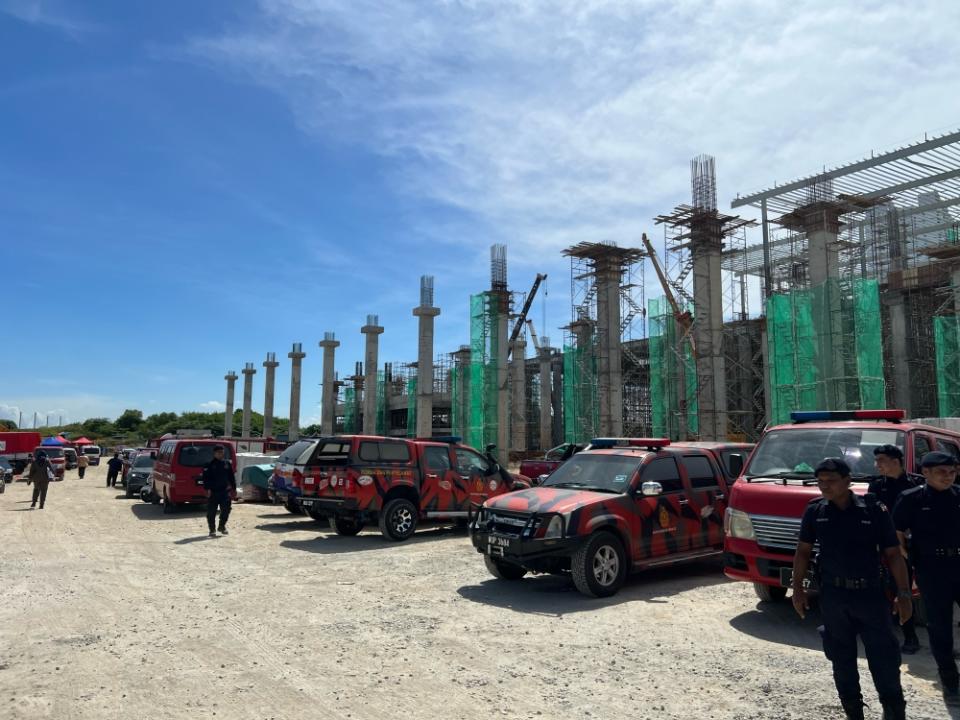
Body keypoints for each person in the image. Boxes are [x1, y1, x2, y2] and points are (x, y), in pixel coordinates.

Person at [792, 458, 911, 720]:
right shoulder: (815, 511)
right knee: (841, 660)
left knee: (884, 660)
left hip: (870, 595)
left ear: (847, 482)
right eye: (820, 481)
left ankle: (893, 711)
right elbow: (803, 552)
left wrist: (904, 595)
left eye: (831, 481)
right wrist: (798, 590)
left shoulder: (873, 510)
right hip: (834, 597)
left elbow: (893, 554)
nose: (824, 486)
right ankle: (853, 711)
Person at [892, 451, 960, 707]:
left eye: (952, 471)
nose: (948, 476)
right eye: (941, 471)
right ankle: (951, 682)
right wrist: (905, 555)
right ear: (926, 472)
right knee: (940, 627)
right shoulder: (912, 499)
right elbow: (896, 530)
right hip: (932, 569)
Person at [869, 444, 922, 654]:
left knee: (909, 590)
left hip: (912, 546)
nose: (877, 465)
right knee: (893, 589)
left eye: (881, 460)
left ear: (895, 461)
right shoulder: (876, 487)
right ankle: (908, 637)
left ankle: (912, 635)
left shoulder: (917, 483)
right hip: (887, 548)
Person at [201, 445, 236, 537]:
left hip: (224, 491)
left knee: (226, 510)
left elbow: (231, 477)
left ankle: (222, 526)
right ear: (214, 453)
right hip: (213, 492)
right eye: (219, 452)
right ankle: (212, 529)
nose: (221, 454)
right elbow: (205, 479)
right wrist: (207, 489)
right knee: (211, 512)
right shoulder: (209, 465)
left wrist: (234, 489)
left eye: (222, 452)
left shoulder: (226, 464)